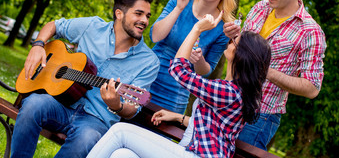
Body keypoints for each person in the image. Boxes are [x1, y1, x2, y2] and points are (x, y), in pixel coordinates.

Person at [87, 12, 272, 158]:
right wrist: (178, 117)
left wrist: (197, 28)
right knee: (123, 155)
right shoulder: (234, 91)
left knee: (120, 131)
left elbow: (178, 69)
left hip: (196, 155)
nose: (229, 43)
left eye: (234, 42)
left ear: (242, 55)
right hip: (191, 151)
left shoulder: (228, 91)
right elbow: (215, 127)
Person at [10, 0, 160, 158]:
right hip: (61, 104)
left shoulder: (149, 62)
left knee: (87, 139)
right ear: (119, 14)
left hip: (95, 120)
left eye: (147, 16)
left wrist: (117, 106)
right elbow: (54, 25)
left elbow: (133, 108)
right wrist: (38, 45)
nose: (145, 21)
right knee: (32, 104)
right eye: (138, 13)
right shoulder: (92, 26)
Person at [223, 0, 327, 150]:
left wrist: (265, 71)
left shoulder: (310, 32)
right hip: (229, 98)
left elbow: (312, 88)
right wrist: (233, 37)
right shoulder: (260, 8)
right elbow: (240, 51)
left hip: (259, 116)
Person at [150, 0, 237, 113]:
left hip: (176, 92)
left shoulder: (222, 28)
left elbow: (206, 70)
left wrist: (199, 60)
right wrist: (179, 8)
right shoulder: (180, 0)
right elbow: (155, 36)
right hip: (148, 74)